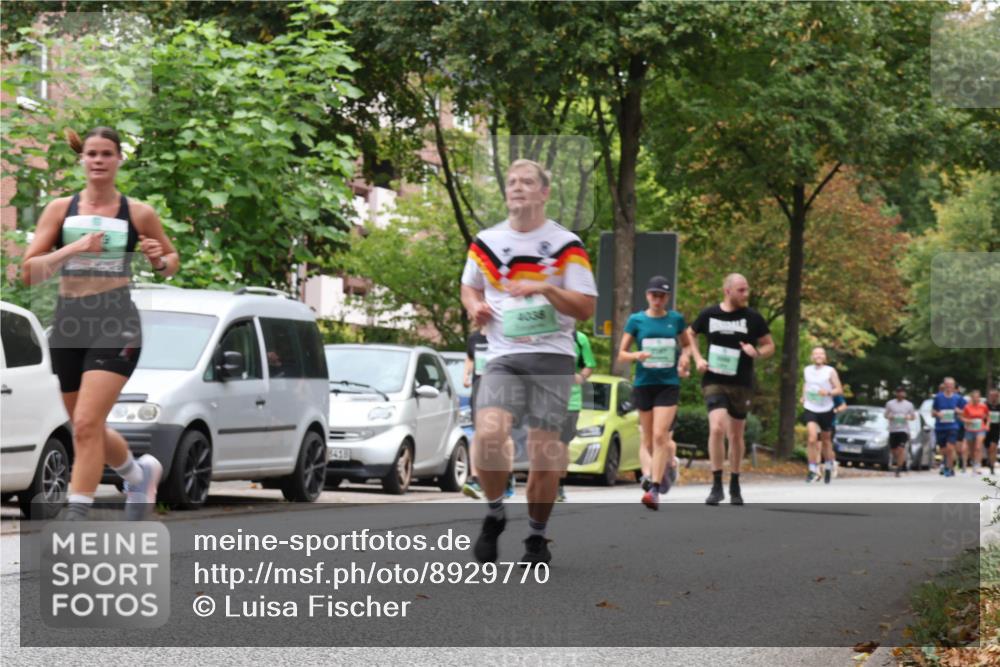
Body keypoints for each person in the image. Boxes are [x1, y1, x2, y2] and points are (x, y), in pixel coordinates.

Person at [20, 126, 180, 520]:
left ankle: (76, 513)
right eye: (92, 153)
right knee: (82, 425)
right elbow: (29, 273)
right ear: (82, 159)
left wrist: (159, 258)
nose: (98, 160)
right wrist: (74, 246)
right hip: (69, 321)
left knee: (89, 422)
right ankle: (138, 474)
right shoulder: (60, 210)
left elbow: (170, 265)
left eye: (107, 154)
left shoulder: (138, 213)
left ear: (118, 160)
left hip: (116, 320)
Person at [460, 159, 597, 566]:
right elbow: (469, 287)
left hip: (552, 358)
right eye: (512, 182)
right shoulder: (486, 241)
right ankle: (495, 513)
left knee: (544, 455)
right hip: (503, 355)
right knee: (487, 434)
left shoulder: (566, 245)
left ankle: (536, 537)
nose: (517, 187)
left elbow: (586, 307)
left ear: (544, 193)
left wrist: (545, 287)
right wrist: (475, 307)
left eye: (527, 182)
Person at [688, 274, 775, 506]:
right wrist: (697, 358)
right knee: (716, 428)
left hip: (742, 382)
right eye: (741, 290)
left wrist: (756, 352)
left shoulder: (753, 317)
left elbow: (769, 345)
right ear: (728, 291)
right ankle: (716, 484)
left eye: (747, 290)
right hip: (714, 378)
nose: (746, 294)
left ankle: (735, 481)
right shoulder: (709, 314)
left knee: (735, 435)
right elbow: (690, 333)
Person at [617, 276, 693, 510]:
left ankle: (654, 488)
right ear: (647, 295)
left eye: (661, 295)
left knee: (661, 436)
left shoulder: (675, 320)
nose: (657, 299)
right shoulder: (636, 320)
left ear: (667, 297)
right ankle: (664, 470)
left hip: (668, 384)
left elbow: (688, 344)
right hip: (643, 383)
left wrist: (684, 358)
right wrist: (636, 356)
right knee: (648, 440)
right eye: (653, 295)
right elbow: (622, 353)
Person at [462, 329, 517, 500]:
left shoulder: (505, 333)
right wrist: (466, 375)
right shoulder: (474, 337)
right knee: (477, 433)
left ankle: (508, 476)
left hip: (502, 389)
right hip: (479, 390)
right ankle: (475, 479)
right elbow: (470, 357)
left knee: (503, 435)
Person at [557, 329, 597, 502]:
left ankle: (559, 484)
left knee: (561, 444)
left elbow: (589, 364)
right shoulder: (544, 333)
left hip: (570, 401)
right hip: (544, 397)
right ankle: (543, 481)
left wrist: (581, 377)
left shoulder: (579, 338)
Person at [801, 346, 843, 484]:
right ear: (812, 357)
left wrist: (828, 393)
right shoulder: (807, 370)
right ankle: (812, 469)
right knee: (812, 438)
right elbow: (806, 384)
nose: (818, 356)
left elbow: (839, 389)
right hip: (810, 406)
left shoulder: (830, 371)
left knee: (826, 441)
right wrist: (803, 396)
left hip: (826, 408)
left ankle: (829, 465)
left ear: (825, 357)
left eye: (821, 354)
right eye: (816, 354)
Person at [932, 377, 966, 477]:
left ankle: (949, 468)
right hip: (940, 427)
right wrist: (938, 414)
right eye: (947, 384)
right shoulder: (938, 397)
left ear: (954, 386)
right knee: (943, 450)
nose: (949, 387)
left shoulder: (958, 398)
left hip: (953, 426)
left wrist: (958, 411)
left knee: (950, 448)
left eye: (951, 385)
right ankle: (947, 464)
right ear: (944, 385)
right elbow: (933, 411)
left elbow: (966, 412)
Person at [884, 386, 916, 477]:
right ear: (896, 393)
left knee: (901, 449)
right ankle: (898, 462)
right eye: (899, 392)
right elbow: (885, 415)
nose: (900, 394)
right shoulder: (890, 403)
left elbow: (913, 417)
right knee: (894, 450)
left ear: (905, 394)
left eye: (902, 392)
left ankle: (899, 468)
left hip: (903, 430)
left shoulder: (909, 404)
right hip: (893, 429)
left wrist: (908, 417)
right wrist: (890, 417)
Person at [960, 390, 989, 475]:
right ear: (971, 398)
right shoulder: (967, 407)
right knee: (971, 449)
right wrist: (968, 421)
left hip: (981, 428)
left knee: (978, 447)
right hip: (970, 429)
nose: (976, 399)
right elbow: (962, 417)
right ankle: (973, 463)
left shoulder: (983, 406)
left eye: (977, 397)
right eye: (974, 397)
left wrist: (987, 425)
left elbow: (988, 416)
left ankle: (977, 466)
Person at [986, 388, 1000, 476]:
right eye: (992, 396)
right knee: (988, 448)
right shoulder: (985, 405)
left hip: (996, 429)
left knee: (993, 447)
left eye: (996, 395)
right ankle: (989, 460)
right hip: (986, 429)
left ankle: (992, 466)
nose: (993, 397)